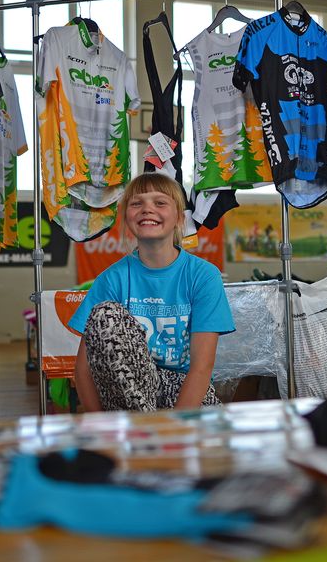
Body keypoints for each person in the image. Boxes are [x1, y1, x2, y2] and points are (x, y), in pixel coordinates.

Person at [69, 172, 234, 412]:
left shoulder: (203, 275)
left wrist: (175, 426)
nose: (147, 209)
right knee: (105, 314)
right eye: (137, 203)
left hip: (184, 389)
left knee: (208, 425)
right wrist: (100, 426)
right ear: (126, 217)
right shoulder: (112, 279)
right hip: (125, 393)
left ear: (179, 217)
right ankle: (140, 427)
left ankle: (152, 430)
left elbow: (201, 368)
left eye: (160, 202)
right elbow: (83, 370)